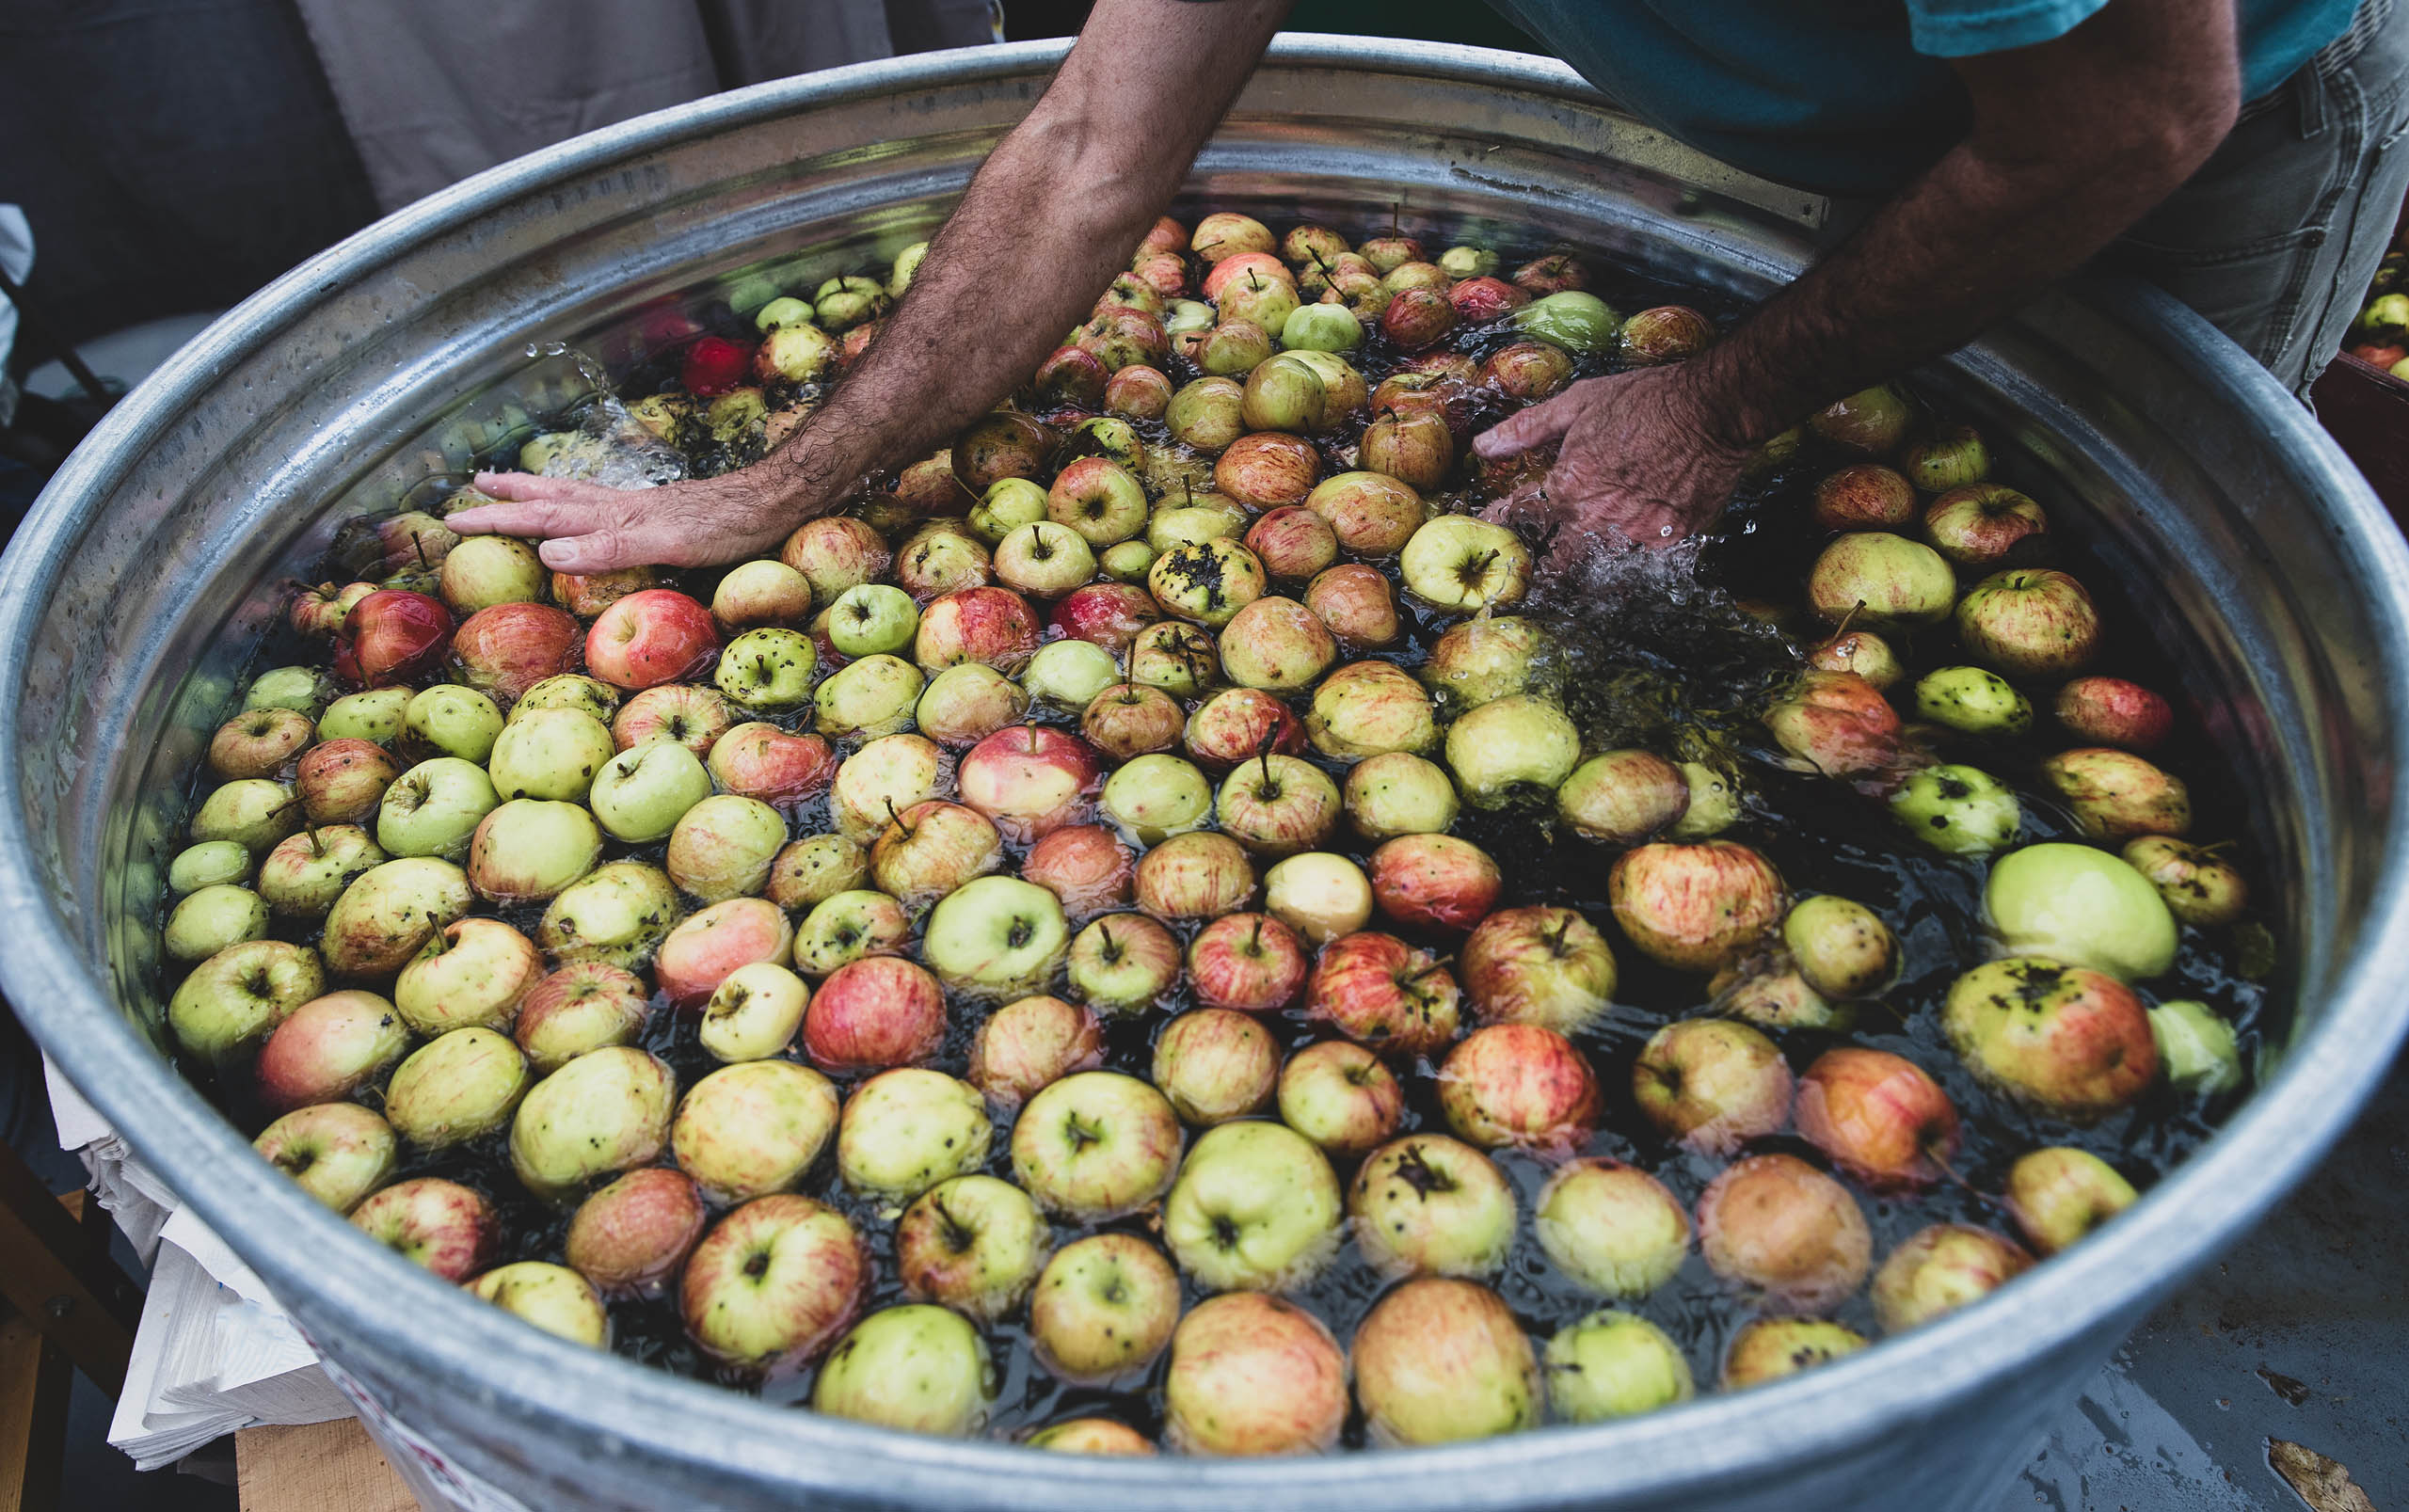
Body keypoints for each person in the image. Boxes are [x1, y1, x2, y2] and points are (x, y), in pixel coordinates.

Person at [451, 0, 2409, 570]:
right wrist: (787, 479)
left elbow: (2116, 121)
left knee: (2083, 536)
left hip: (2193, 131)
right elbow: (1088, 149)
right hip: (1917, 107)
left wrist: (1714, 398)